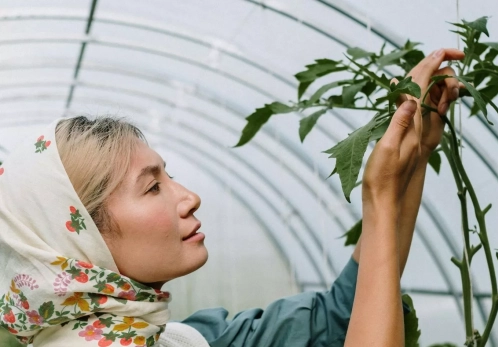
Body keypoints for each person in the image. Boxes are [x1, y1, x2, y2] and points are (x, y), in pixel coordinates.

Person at [0, 48, 464, 347]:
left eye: (171, 176)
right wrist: (378, 204)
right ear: (81, 241)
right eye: (153, 186)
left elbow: (339, 315)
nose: (190, 198)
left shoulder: (174, 338)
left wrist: (416, 155)